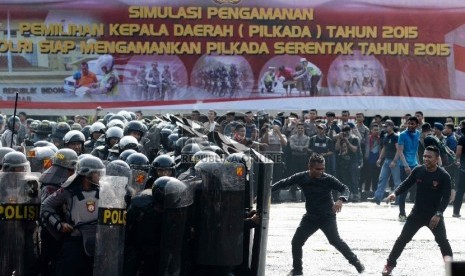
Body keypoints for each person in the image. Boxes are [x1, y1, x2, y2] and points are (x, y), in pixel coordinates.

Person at [271, 154, 365, 275]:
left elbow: (344, 188)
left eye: (323, 169)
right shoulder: (301, 177)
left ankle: (355, 261)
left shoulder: (328, 179)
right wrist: (266, 190)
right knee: (296, 242)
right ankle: (297, 270)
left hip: (327, 216)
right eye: (318, 169)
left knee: (335, 241)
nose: (321, 172)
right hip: (310, 217)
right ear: (309, 167)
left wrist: (341, 199)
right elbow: (284, 183)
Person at [382, 146, 453, 275]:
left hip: (434, 216)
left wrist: (438, 214)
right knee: (402, 239)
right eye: (424, 156)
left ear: (437, 159)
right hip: (417, 214)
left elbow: (446, 197)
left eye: (429, 157)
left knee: (443, 241)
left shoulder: (444, 176)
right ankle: (389, 265)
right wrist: (394, 193)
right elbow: (406, 183)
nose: (426, 159)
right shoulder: (418, 170)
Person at [40, 156, 106, 276]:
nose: (100, 177)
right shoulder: (68, 191)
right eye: (97, 173)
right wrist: (59, 224)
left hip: (99, 240)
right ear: (87, 174)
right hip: (76, 240)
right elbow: (46, 206)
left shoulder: (104, 191)